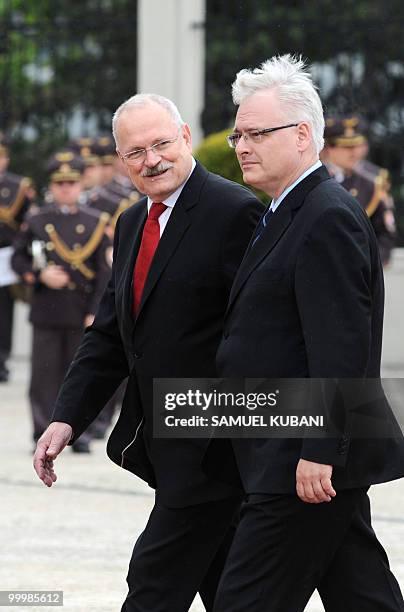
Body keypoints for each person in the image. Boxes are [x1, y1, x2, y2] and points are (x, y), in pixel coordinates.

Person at [32, 93, 263, 611]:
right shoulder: (132, 221)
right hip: (162, 439)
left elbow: (256, 333)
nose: (151, 159)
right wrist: (67, 418)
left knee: (153, 584)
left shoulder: (236, 211)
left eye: (161, 143)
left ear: (185, 138)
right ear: (120, 160)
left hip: (214, 446)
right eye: (135, 152)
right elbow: (112, 334)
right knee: (231, 591)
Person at [203, 55, 404, 612]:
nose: (241, 145)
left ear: (301, 135)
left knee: (243, 601)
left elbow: (341, 347)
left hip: (301, 457)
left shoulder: (326, 216)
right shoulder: (288, 210)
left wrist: (320, 451)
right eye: (237, 133)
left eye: (255, 133)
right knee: (363, 595)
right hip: (286, 446)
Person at [12, 150, 111, 453]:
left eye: (71, 183)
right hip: (46, 310)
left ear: (80, 185)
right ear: (52, 187)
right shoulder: (37, 220)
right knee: (43, 377)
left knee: (80, 377)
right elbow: (17, 258)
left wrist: (95, 310)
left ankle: (79, 435)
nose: (66, 188)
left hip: (80, 312)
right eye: (60, 183)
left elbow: (104, 274)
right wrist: (38, 276)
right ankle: (41, 432)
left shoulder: (96, 222)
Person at [322, 115, 396, 265]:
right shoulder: (316, 178)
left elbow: (385, 235)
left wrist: (370, 265)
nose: (354, 152)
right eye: (346, 147)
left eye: (356, 146)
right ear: (329, 148)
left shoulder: (371, 183)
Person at [0, 133, 33, 382]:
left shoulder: (18, 186)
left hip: (6, 255)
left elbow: (25, 223)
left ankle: (2, 360)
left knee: (4, 311)